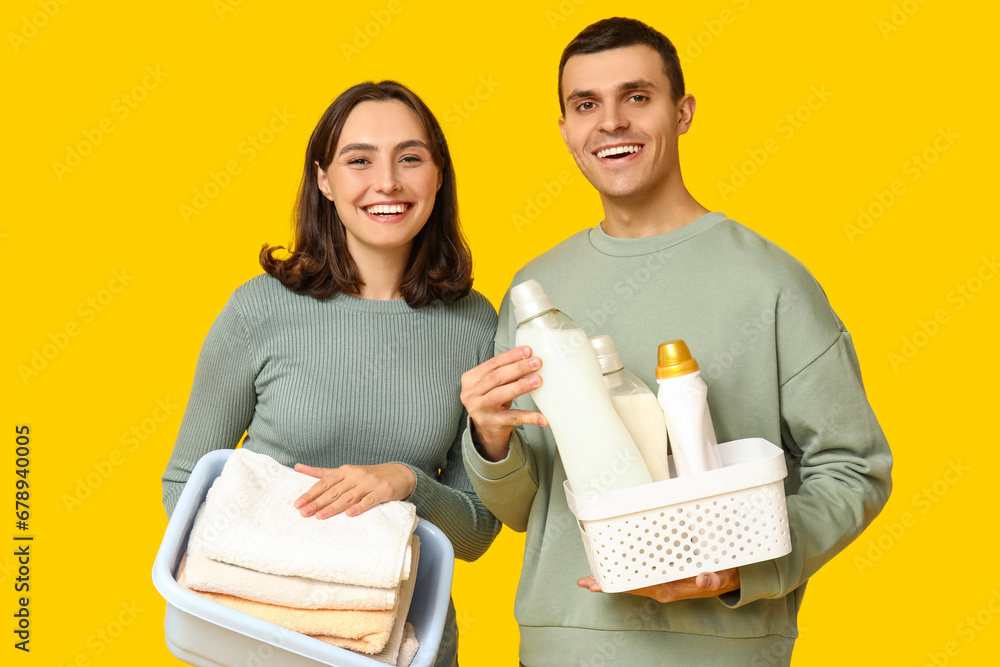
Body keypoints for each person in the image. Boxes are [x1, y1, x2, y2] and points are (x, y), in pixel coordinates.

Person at [459, 17, 892, 666]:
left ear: (682, 111)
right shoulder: (536, 288)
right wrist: (490, 440)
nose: (610, 122)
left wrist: (745, 568)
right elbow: (525, 508)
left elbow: (856, 466)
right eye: (586, 105)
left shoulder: (769, 281)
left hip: (719, 649)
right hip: (561, 647)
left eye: (636, 96)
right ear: (566, 130)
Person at [162, 80, 500, 667]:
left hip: (400, 649)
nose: (387, 182)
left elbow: (476, 531)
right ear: (324, 179)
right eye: (359, 159)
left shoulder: (474, 323)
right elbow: (185, 484)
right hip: (255, 640)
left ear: (438, 176)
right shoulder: (260, 308)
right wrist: (298, 592)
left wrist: (407, 482)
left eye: (411, 158)